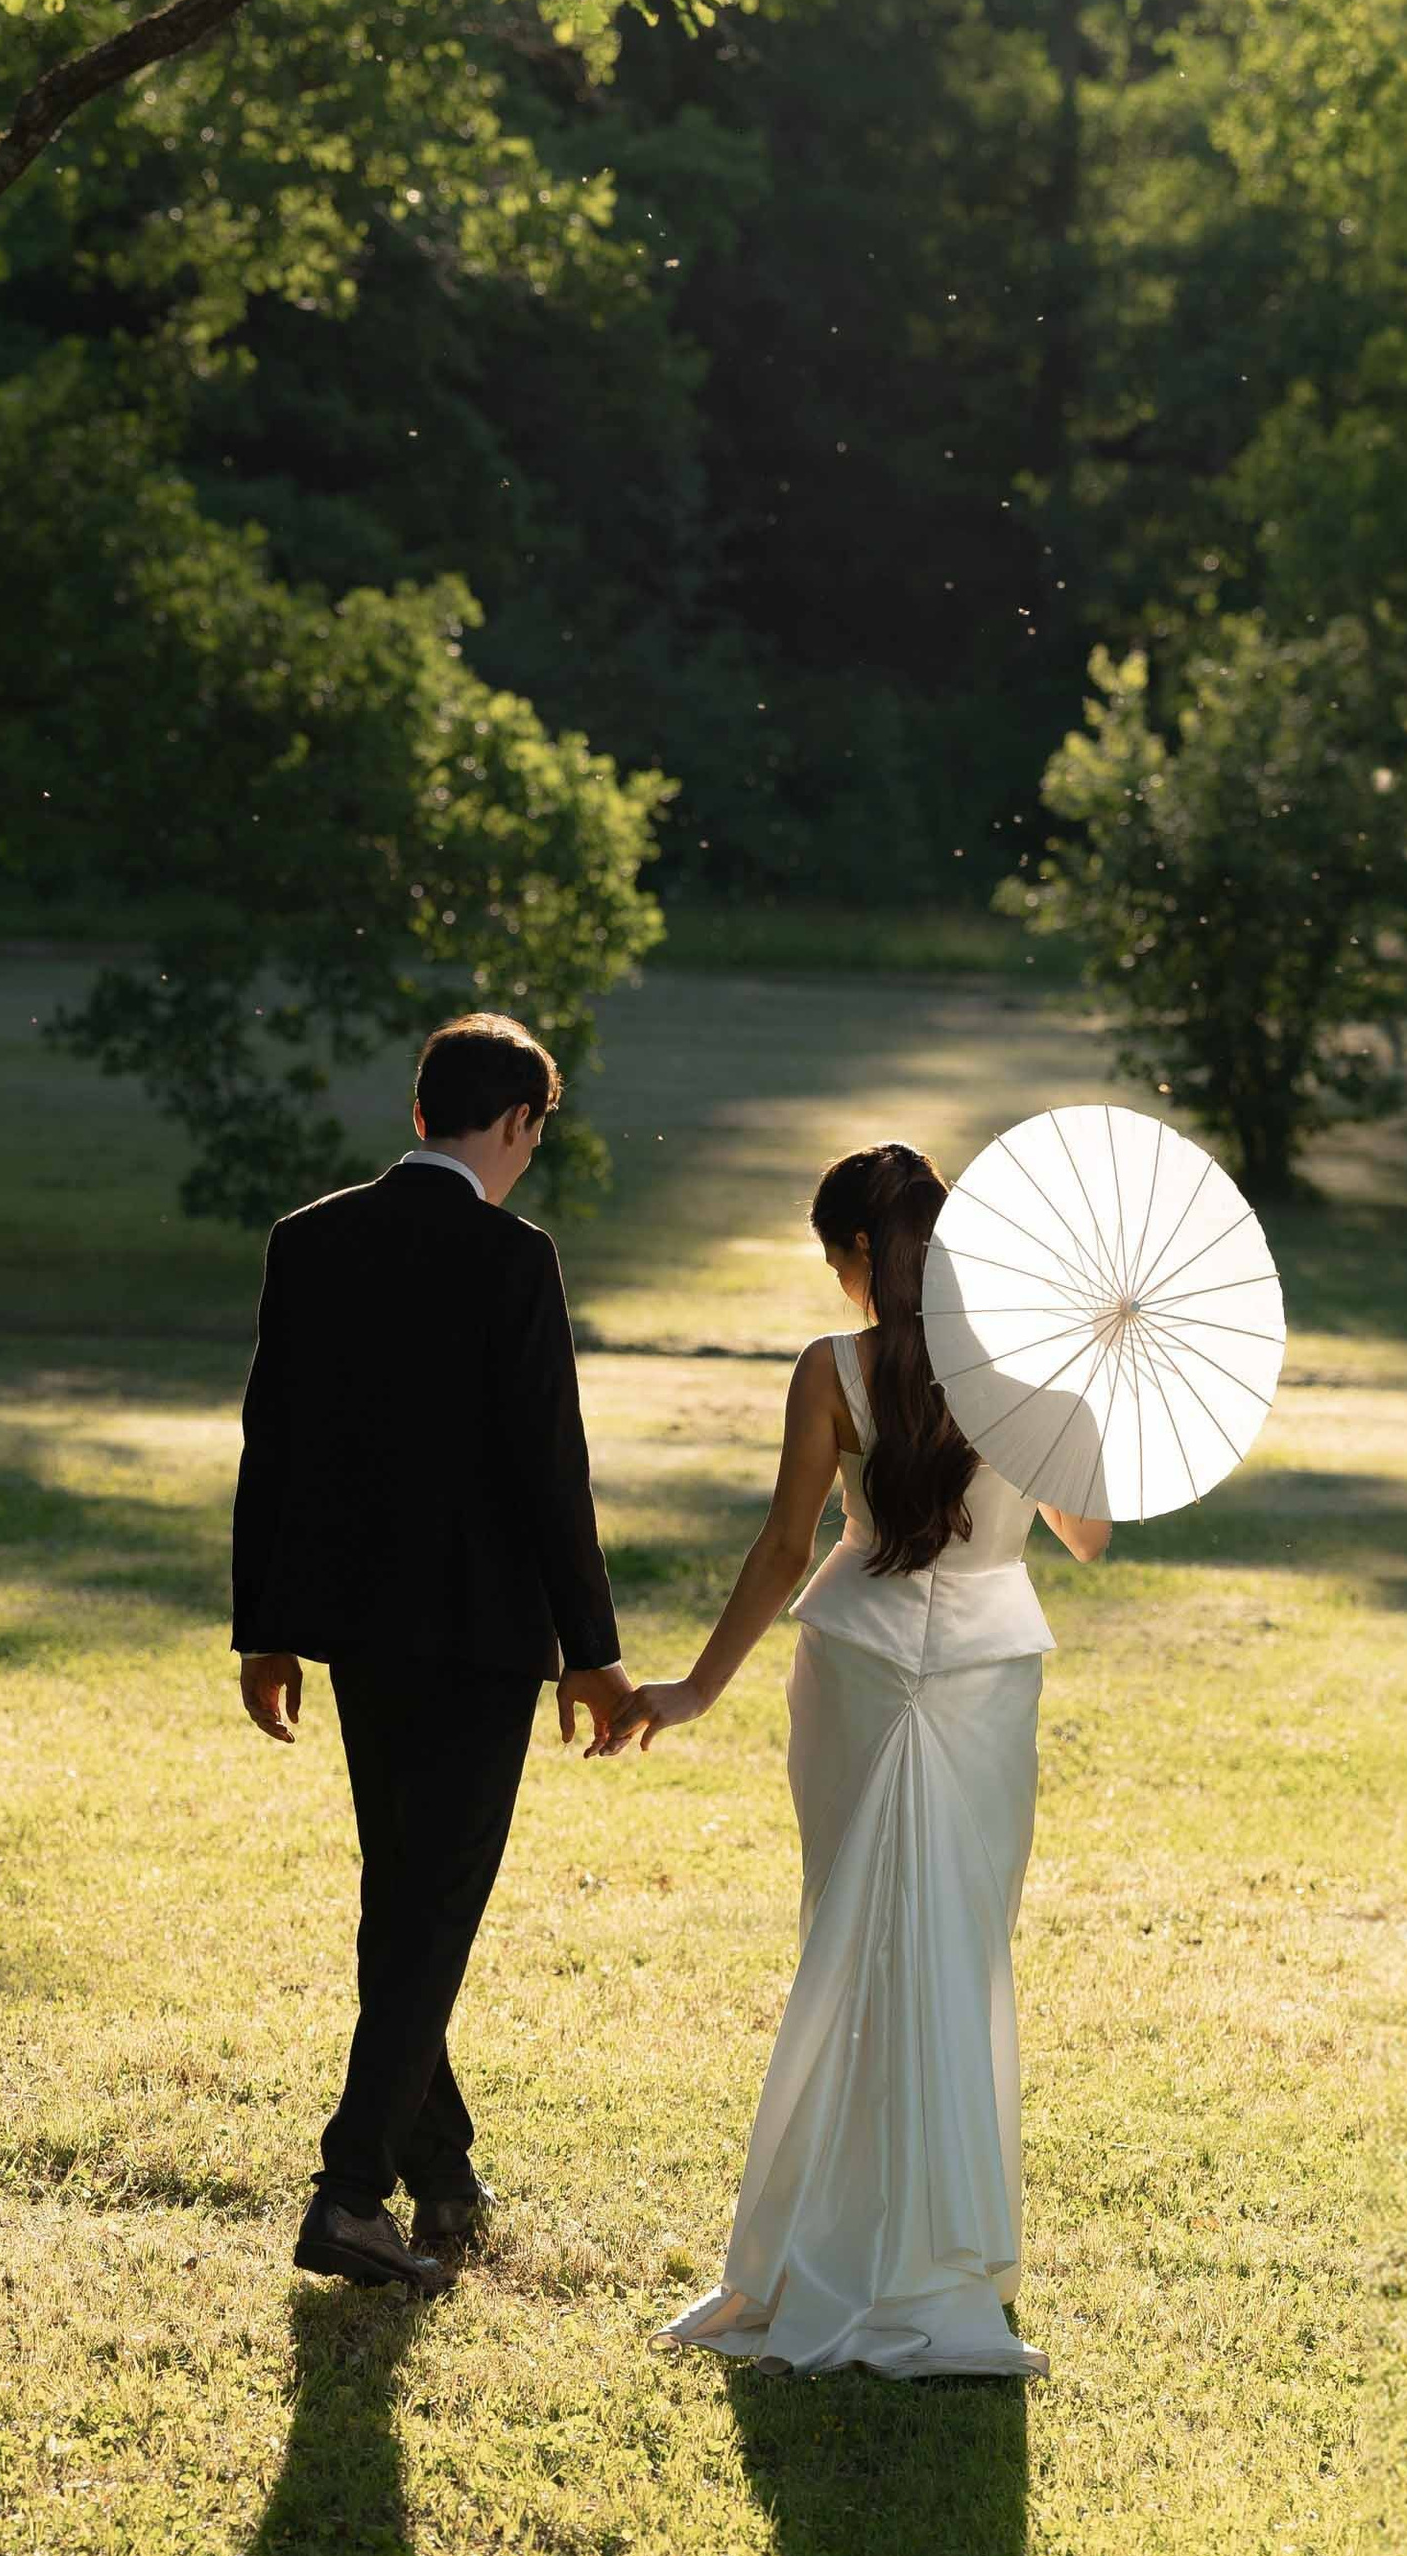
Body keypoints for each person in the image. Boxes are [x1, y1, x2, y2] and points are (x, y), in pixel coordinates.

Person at [610, 1142, 1111, 2378]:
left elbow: (787, 1547)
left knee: (846, 1943)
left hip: (854, 1659)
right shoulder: (1034, 1365)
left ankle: (816, 2252)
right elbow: (1087, 1538)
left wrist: (696, 1687)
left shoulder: (831, 1367)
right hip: (988, 1666)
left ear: (852, 1254)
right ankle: (944, 2262)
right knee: (959, 1950)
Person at [232, 1013, 634, 2298]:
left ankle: (441, 2167)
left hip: (357, 1631)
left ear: (418, 1113)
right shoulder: (514, 1257)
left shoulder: (310, 1240)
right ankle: (350, 2193)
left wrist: (266, 1627)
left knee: (402, 1896)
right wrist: (592, 1652)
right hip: (480, 1637)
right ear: (515, 1123)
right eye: (534, 1136)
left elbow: (270, 1443)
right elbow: (550, 1464)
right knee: (431, 1909)